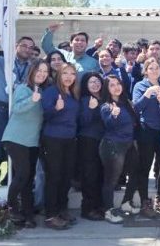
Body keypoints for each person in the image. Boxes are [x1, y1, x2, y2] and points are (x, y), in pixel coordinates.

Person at [0, 34, 35, 188]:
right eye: (24, 45)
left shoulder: (32, 67)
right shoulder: (3, 62)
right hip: (1, 107)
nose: (27, 49)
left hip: (21, 109)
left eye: (30, 47)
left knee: (17, 143)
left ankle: (11, 176)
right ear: (16, 46)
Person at [1, 60, 49, 228]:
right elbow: (17, 109)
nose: (42, 74)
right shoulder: (23, 88)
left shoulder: (41, 91)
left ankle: (28, 215)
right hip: (16, 139)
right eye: (39, 70)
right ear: (32, 71)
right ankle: (11, 207)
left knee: (28, 179)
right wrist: (32, 100)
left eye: (45, 71)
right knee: (22, 174)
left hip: (32, 142)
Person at [40, 63, 80, 230]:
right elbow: (44, 114)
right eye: (65, 73)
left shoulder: (74, 93)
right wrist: (56, 109)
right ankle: (50, 215)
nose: (69, 77)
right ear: (58, 75)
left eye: (72, 74)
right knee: (54, 176)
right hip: (53, 139)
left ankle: (62, 210)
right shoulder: (51, 92)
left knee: (66, 176)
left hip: (70, 140)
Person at [131, 58, 160, 215]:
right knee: (145, 166)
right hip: (145, 130)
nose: (154, 71)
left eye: (157, 68)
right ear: (145, 71)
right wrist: (147, 94)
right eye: (151, 68)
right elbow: (136, 108)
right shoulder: (140, 86)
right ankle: (144, 201)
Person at [99, 75, 141, 223]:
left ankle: (126, 202)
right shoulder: (106, 106)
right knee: (111, 179)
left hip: (129, 144)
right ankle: (108, 211)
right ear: (107, 89)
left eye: (118, 84)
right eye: (112, 85)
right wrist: (113, 115)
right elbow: (108, 124)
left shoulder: (126, 103)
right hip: (113, 145)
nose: (116, 87)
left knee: (136, 173)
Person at [77, 72, 106, 221]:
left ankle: (98, 206)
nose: (95, 84)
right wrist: (90, 108)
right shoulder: (84, 100)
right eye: (91, 82)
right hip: (88, 140)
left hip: (103, 141)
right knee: (90, 175)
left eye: (97, 81)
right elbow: (83, 122)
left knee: (100, 174)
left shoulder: (104, 98)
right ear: (86, 85)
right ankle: (88, 209)